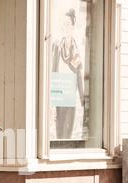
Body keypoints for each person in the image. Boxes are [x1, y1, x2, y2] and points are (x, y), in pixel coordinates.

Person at [52, 8, 85, 140]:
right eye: (63, 24)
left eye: (68, 24)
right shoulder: (57, 46)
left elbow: (79, 75)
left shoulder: (76, 49)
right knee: (59, 131)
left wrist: (82, 98)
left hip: (71, 94)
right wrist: (51, 99)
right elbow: (53, 72)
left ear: (72, 26)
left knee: (69, 132)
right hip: (59, 93)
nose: (65, 27)